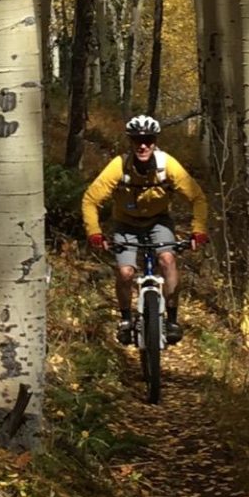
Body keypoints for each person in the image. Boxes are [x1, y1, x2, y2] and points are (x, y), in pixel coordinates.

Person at [81, 115, 209, 346]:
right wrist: (95, 233)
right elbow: (91, 198)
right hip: (125, 223)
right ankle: (126, 319)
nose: (142, 145)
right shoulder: (119, 166)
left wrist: (198, 230)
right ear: (130, 142)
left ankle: (171, 319)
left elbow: (197, 197)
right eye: (137, 140)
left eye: (148, 140)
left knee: (168, 259)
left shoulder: (167, 164)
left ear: (155, 141)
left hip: (158, 221)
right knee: (125, 273)